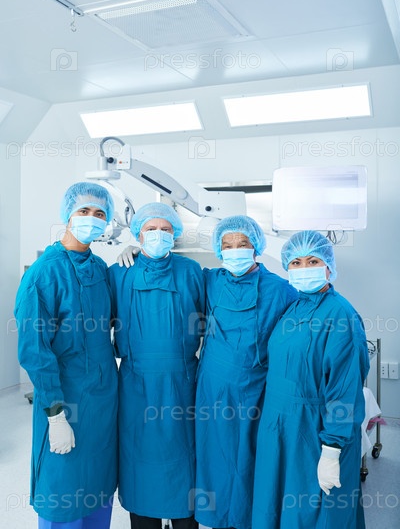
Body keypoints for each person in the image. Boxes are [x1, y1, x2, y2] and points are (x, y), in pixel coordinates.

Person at [15, 182, 118, 529]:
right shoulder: (44, 273)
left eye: (100, 213)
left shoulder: (101, 269)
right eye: (84, 211)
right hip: (64, 398)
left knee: (98, 487)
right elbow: (35, 351)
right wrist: (56, 415)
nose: (92, 218)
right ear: (68, 215)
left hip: (103, 401)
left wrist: (133, 262)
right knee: (62, 490)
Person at [252, 230, 370, 529]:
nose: (304, 268)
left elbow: (344, 390)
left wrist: (332, 449)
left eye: (313, 261)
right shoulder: (294, 306)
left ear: (328, 266)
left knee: (316, 514)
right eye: (296, 262)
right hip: (279, 427)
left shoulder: (340, 315)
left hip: (314, 432)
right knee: (278, 506)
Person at [194, 216, 298, 529]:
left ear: (256, 246)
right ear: (219, 250)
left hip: (256, 392)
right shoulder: (210, 281)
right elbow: (175, 276)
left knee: (251, 463)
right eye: (227, 245)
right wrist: (136, 253)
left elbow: (296, 339)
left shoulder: (280, 289)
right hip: (213, 391)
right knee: (215, 461)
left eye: (243, 244)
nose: (235, 250)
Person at [108, 202, 205, 529]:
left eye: (165, 229)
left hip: (182, 384)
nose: (158, 235)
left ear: (175, 234)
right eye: (150, 229)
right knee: (139, 460)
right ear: (138, 234)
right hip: (135, 385)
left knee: (183, 460)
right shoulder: (119, 272)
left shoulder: (191, 272)